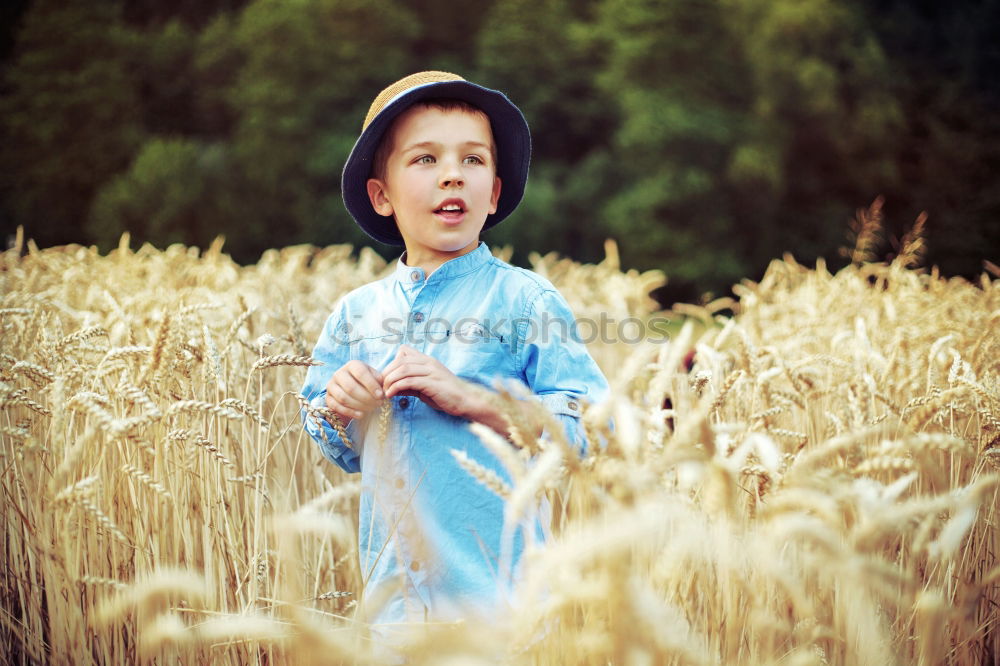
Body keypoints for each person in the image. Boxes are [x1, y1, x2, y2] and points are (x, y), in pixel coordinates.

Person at [299, 71, 609, 636]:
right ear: (382, 195)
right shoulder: (355, 313)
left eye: (473, 160)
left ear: (492, 192)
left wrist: (473, 399)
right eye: (424, 160)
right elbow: (326, 432)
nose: (452, 175)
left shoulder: (524, 299)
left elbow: (590, 431)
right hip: (392, 617)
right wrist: (341, 406)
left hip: (501, 614)